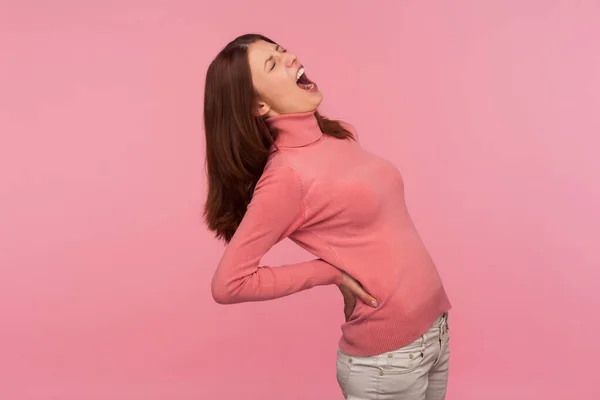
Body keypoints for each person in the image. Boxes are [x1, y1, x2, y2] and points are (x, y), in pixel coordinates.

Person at [202, 33, 452, 400]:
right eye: (273, 63)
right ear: (258, 106)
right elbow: (228, 285)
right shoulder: (287, 177)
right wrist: (330, 272)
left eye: (281, 50)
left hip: (434, 332)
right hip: (388, 362)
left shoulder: (337, 136)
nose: (289, 57)